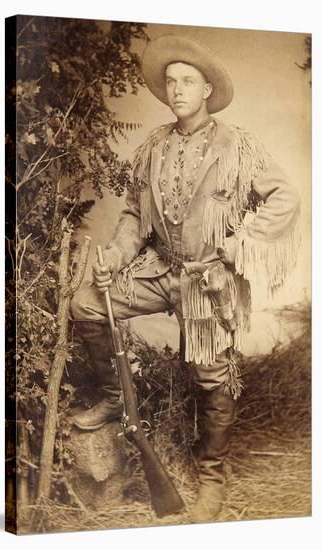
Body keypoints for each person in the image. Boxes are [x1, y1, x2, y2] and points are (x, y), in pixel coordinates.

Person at [70, 35, 300, 522]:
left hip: (207, 283)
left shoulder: (238, 146)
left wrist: (238, 247)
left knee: (212, 377)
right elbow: (134, 215)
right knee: (86, 304)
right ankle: (116, 399)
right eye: (171, 81)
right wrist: (114, 254)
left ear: (207, 90)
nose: (177, 90)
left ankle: (212, 475)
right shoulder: (153, 147)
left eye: (187, 82)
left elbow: (285, 198)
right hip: (160, 269)